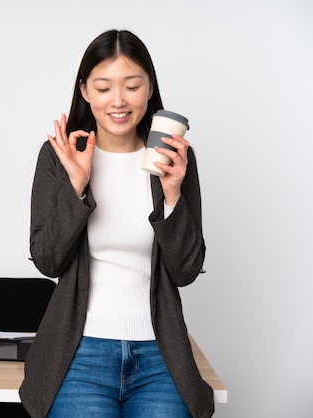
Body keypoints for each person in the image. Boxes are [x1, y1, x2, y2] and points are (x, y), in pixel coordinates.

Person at [19, 29, 214, 418]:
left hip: (160, 357)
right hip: (79, 354)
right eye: (104, 87)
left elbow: (186, 270)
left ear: (149, 89)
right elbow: (47, 260)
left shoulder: (174, 159)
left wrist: (172, 194)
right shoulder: (60, 156)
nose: (119, 101)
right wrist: (76, 188)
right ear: (85, 91)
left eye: (132, 85)